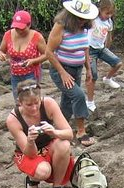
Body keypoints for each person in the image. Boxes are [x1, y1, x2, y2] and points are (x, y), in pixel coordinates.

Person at [6, 80, 76, 188]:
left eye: (36, 103)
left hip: (48, 146)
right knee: (44, 171)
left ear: (40, 98)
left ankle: (57, 187)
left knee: (64, 144)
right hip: (27, 152)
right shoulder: (13, 119)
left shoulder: (48, 104)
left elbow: (69, 134)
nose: (34, 108)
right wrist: (30, 140)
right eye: (28, 105)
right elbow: (29, 153)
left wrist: (54, 132)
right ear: (19, 103)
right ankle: (32, 180)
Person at [45, 0, 99, 147]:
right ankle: (81, 131)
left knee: (68, 100)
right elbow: (48, 52)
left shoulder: (85, 28)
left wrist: (88, 68)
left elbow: (85, 48)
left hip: (77, 69)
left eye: (85, 19)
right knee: (78, 95)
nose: (82, 21)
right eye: (79, 18)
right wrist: (62, 73)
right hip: (61, 69)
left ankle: (60, 130)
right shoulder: (61, 26)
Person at [0, 10, 48, 101]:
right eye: (16, 28)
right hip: (15, 74)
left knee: (31, 101)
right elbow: (0, 50)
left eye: (22, 28)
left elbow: (47, 54)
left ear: (29, 25)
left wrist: (34, 61)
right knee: (18, 102)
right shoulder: (8, 35)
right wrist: (1, 55)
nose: (19, 31)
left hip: (31, 74)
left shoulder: (37, 37)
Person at [85, 0, 122, 112]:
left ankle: (107, 78)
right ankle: (90, 101)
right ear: (100, 10)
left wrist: (107, 48)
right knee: (93, 75)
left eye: (111, 13)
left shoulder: (109, 22)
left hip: (101, 48)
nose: (109, 15)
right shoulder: (93, 19)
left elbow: (108, 36)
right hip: (90, 50)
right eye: (107, 13)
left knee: (117, 63)